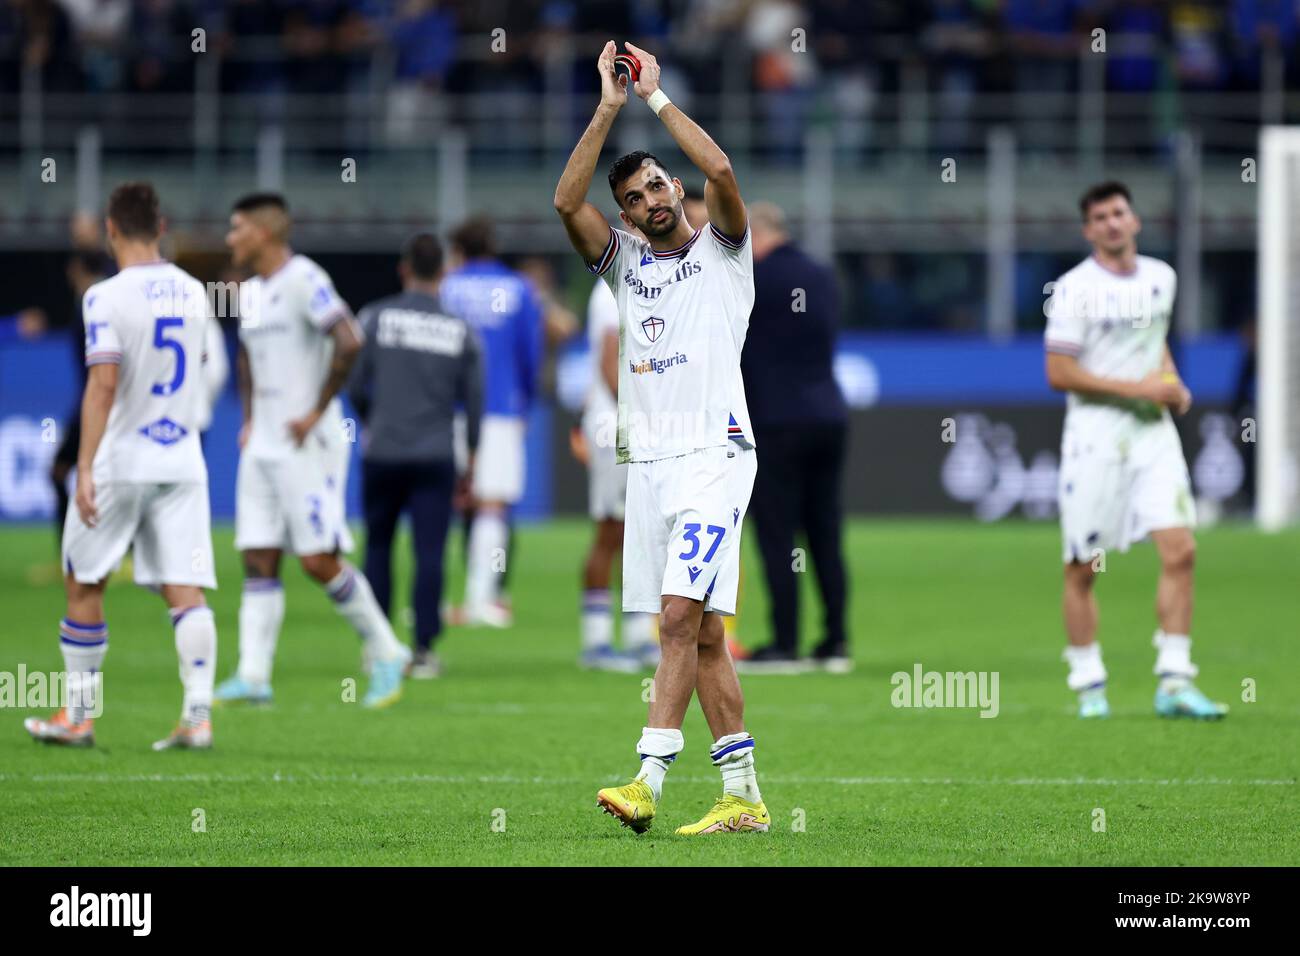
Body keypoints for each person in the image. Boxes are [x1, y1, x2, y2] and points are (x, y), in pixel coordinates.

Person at [555, 41, 767, 835]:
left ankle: (647, 776)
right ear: (628, 214)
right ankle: (743, 797)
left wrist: (653, 98)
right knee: (703, 633)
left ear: (674, 187)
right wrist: (605, 108)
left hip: (716, 456)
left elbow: (726, 174)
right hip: (650, 466)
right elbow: (563, 204)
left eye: (655, 185)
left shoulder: (725, 252)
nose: (649, 201)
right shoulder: (625, 268)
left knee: (677, 619)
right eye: (635, 197)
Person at [24, 181, 219, 750]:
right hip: (182, 459)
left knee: (85, 581)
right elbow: (201, 367)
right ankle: (198, 718)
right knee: (186, 589)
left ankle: (79, 718)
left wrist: (83, 467)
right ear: (161, 228)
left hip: (122, 460)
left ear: (111, 232)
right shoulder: (193, 292)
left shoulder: (104, 297)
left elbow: (103, 384)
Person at [213, 192, 410, 709]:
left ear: (264, 232)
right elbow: (247, 360)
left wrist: (316, 409)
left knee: (317, 559)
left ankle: (387, 650)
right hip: (264, 441)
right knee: (257, 553)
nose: (230, 238)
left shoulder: (305, 279)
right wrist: (251, 417)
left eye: (237, 229)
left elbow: (348, 340)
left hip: (307, 440)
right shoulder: (250, 293)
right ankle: (254, 674)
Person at [1045, 180, 1227, 721]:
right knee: (1084, 567)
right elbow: (1059, 372)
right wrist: (1140, 390)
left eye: (1119, 213)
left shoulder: (1160, 278)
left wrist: (1171, 381)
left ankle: (1174, 680)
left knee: (1182, 550)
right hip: (1095, 438)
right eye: (1099, 217)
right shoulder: (1074, 289)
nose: (1112, 223)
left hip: (1152, 434)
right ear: (1088, 230)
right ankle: (1089, 684)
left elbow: (1154, 342)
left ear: (1135, 220)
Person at [349, 233, 484, 679]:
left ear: (405, 268)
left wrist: (372, 420)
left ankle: (379, 645)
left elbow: (354, 382)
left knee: (379, 546)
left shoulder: (374, 318)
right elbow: (475, 400)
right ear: (443, 273)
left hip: (383, 450)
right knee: (430, 550)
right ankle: (423, 649)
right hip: (434, 453)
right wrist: (472, 454)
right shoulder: (460, 330)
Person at [737, 201, 850, 674]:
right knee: (825, 532)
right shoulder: (822, 274)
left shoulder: (755, 279)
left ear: (756, 235)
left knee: (777, 534)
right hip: (829, 415)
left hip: (776, 421)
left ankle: (785, 642)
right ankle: (836, 642)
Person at [440, 216, 544, 627]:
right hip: (500, 408)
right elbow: (530, 354)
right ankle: (482, 600)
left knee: (442, 502)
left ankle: (436, 601)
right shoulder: (519, 289)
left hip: (446, 409)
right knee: (492, 504)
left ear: (459, 249)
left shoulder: (447, 288)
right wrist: (526, 402)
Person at [577, 270, 659, 673]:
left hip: (622, 420)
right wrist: (637, 413)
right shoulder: (615, 284)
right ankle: (595, 643)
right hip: (617, 424)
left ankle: (639, 637)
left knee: (637, 531)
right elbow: (610, 359)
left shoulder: (635, 278)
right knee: (610, 531)